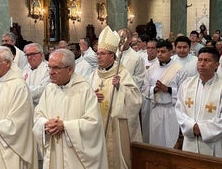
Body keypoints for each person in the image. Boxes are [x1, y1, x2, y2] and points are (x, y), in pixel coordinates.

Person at [32, 49, 108, 169]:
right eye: (49, 67)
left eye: (56, 68)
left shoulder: (84, 90)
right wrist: (45, 125)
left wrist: (65, 126)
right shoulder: (49, 89)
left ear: (70, 70)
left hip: (75, 158)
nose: (50, 72)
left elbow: (93, 124)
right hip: (54, 151)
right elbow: (38, 116)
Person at [89, 26, 142, 169]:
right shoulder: (94, 75)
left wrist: (121, 88)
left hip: (116, 127)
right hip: (98, 125)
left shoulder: (122, 74)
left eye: (102, 53)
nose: (98, 56)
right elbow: (86, 97)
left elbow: (136, 99)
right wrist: (91, 97)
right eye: (97, 53)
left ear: (112, 55)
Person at [175, 47, 222, 157]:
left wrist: (201, 129)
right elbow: (179, 110)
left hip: (214, 144)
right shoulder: (187, 84)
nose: (202, 64)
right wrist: (191, 127)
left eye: (207, 60)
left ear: (217, 65)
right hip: (190, 141)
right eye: (200, 60)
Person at [141, 40, 187, 148]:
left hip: (173, 110)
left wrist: (168, 89)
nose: (159, 54)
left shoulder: (179, 69)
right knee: (156, 141)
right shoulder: (151, 69)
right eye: (158, 52)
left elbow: (184, 91)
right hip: (156, 109)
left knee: (171, 140)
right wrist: (155, 89)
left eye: (163, 51)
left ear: (171, 52)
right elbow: (144, 88)